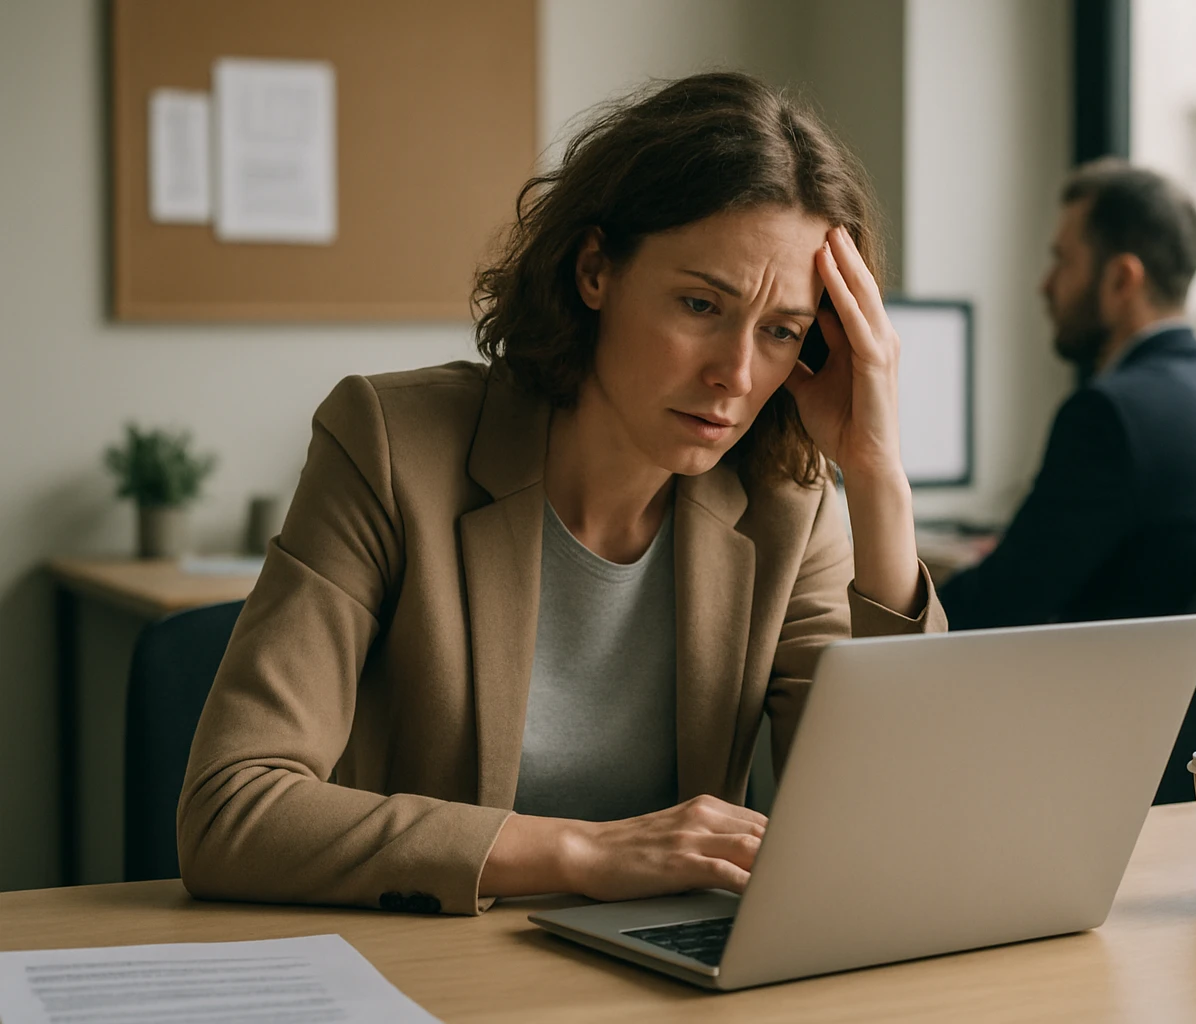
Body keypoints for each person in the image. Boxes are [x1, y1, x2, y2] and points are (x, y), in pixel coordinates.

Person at [177, 72, 945, 916]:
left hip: (661, 985)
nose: (734, 374)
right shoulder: (392, 445)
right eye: (700, 304)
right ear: (594, 270)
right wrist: (583, 851)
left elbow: (895, 834)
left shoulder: (788, 506)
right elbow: (231, 809)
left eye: (780, 332)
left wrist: (876, 472)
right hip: (433, 970)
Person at [938, 159, 1196, 630]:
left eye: (1062, 261)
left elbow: (994, 607)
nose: (1045, 284)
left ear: (1121, 280)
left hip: (1112, 700)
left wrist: (906, 594)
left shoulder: (1109, 416)